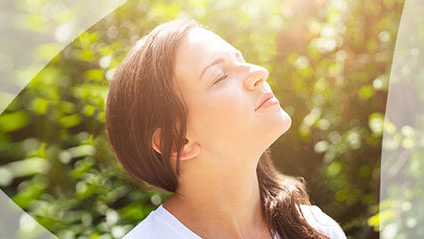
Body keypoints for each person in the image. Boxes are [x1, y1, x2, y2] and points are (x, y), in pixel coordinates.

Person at [104, 18, 347, 239]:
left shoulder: (317, 229)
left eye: (241, 60)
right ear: (178, 142)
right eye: (220, 77)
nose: (260, 73)